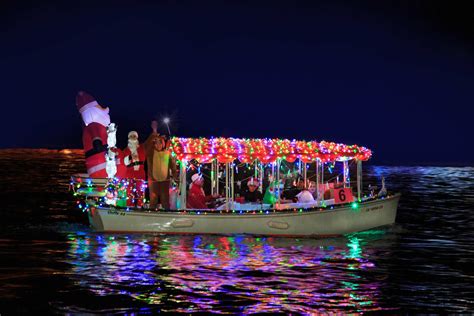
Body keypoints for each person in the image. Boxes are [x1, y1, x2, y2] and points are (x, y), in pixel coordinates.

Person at [76, 91, 125, 178]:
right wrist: (115, 152)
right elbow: (97, 145)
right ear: (93, 110)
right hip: (103, 168)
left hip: (101, 169)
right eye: (100, 107)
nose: (104, 109)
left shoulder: (94, 127)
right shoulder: (94, 126)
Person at [144, 121, 176, 209]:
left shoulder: (167, 153)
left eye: (160, 142)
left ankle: (167, 216)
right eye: (156, 143)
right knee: (153, 200)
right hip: (153, 181)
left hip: (165, 181)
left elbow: (173, 166)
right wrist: (154, 132)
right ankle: (151, 215)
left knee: (165, 200)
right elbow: (146, 145)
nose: (158, 144)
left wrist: (175, 176)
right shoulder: (151, 153)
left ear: (163, 143)